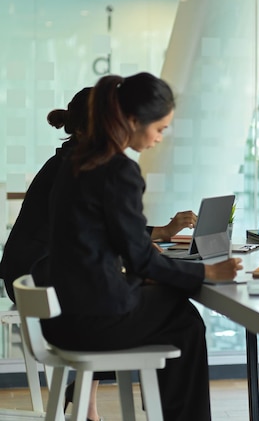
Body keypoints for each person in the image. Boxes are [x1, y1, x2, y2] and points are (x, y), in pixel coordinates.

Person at [31, 72, 242, 421]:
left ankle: (166, 411)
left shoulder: (74, 162)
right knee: (186, 321)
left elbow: (100, 245)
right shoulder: (118, 170)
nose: (160, 138)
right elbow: (140, 258)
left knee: (175, 311)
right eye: (159, 128)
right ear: (132, 120)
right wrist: (206, 271)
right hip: (88, 322)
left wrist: (149, 273)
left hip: (59, 317)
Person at [0, 88, 199, 421]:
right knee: (162, 313)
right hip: (45, 282)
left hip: (38, 278)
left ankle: (85, 396)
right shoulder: (85, 166)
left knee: (125, 299)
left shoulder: (67, 161)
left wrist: (158, 235)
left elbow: (98, 227)